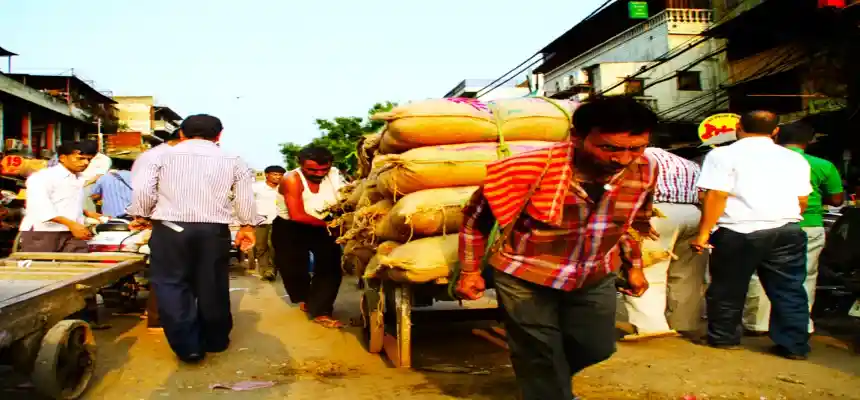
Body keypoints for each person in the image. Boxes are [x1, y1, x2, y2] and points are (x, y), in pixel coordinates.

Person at [456, 96, 658, 400]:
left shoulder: (645, 169)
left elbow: (631, 221)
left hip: (595, 272)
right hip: (526, 273)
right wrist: (470, 271)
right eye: (609, 148)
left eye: (635, 147)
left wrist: (635, 267)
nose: (622, 158)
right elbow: (475, 222)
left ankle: (546, 381)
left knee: (596, 346)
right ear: (576, 137)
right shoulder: (523, 169)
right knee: (539, 351)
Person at [128, 114, 259, 363]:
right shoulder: (233, 159)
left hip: (170, 227)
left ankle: (189, 347)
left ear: (181, 134)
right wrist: (247, 225)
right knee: (213, 283)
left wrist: (141, 215)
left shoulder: (157, 155)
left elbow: (143, 190)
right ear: (219, 135)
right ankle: (216, 340)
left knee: (171, 284)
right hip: (214, 230)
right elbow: (244, 197)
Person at [692, 110, 812, 360]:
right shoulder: (794, 159)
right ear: (776, 130)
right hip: (787, 230)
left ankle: (725, 338)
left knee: (728, 288)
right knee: (789, 290)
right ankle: (794, 345)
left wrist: (703, 233)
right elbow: (802, 200)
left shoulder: (722, 155)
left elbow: (717, 195)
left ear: (738, 126)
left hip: (739, 229)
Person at [743, 121, 844, 335]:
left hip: (766, 222)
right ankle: (800, 325)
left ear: (776, 137)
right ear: (809, 142)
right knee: (804, 275)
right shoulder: (822, 165)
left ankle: (757, 323)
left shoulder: (761, 162)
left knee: (760, 272)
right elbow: (837, 200)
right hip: (808, 225)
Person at [622, 146, 707, 340]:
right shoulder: (690, 164)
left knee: (651, 270)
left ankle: (651, 326)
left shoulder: (639, 159)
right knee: (688, 274)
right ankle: (685, 323)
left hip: (657, 214)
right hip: (694, 213)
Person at [271, 145, 346, 329]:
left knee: (330, 267)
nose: (319, 173)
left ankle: (321, 310)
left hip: (323, 225)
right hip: (291, 226)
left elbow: (347, 198)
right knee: (292, 268)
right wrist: (330, 226)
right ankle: (305, 297)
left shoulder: (336, 176)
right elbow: (297, 215)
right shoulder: (291, 179)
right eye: (312, 170)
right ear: (300, 164)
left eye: (324, 169)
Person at [129, 131, 181, 331]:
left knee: (167, 274)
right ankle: (160, 317)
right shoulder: (164, 156)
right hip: (170, 223)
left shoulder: (152, 156)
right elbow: (144, 191)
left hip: (166, 223)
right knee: (172, 273)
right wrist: (142, 216)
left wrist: (142, 216)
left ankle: (158, 317)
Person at [19, 141, 105, 252]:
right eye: (80, 158)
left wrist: (86, 213)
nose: (85, 163)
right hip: (43, 232)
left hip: (72, 232)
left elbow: (63, 201)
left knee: (78, 265)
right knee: (41, 267)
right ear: (63, 158)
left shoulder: (78, 178)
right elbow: (41, 208)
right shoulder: (43, 177)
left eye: (89, 159)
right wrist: (71, 224)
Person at [252, 165, 286, 281]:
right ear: (267, 175)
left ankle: (272, 270)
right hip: (261, 221)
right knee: (261, 247)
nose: (278, 177)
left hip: (279, 221)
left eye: (280, 175)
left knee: (274, 247)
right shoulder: (256, 188)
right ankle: (265, 271)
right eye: (275, 174)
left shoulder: (284, 188)